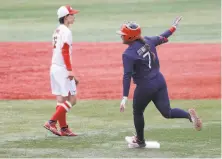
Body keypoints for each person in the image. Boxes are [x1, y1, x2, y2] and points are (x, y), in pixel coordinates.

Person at [116, 17, 202, 148]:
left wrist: (124, 97)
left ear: (130, 37)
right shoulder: (148, 41)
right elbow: (163, 37)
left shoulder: (128, 54)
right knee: (167, 112)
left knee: (138, 112)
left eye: (123, 35)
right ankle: (189, 116)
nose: (121, 36)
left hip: (145, 87)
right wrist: (173, 27)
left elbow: (127, 75)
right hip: (159, 81)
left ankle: (140, 141)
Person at [43, 5, 79, 136]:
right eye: (71, 15)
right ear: (65, 17)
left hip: (54, 67)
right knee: (73, 99)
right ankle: (51, 122)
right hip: (63, 68)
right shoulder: (66, 32)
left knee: (61, 100)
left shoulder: (57, 30)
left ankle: (64, 129)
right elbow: (64, 51)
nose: (74, 17)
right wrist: (70, 70)